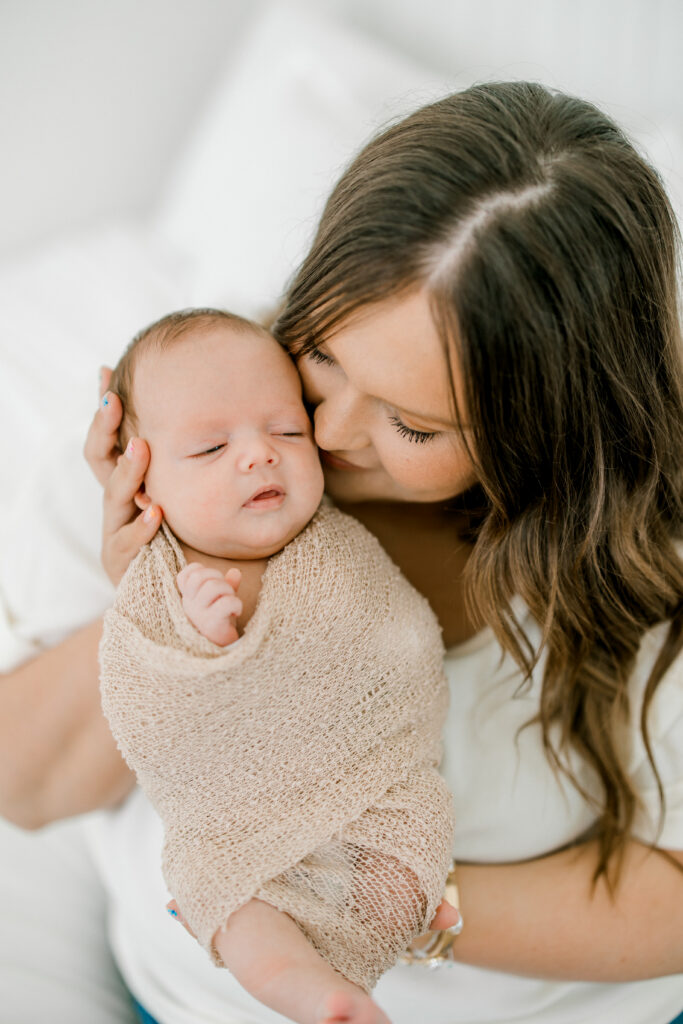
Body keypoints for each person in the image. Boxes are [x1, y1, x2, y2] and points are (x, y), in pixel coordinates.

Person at [1, 80, 682, 1024]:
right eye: (320, 354)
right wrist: (153, 599)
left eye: (409, 423)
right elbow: (23, 788)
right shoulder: (187, 413)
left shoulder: (645, 548)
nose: (323, 431)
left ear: (542, 432)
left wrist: (384, 903)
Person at [99, 306, 454, 1024]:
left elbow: (396, 650)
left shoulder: (335, 550)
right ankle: (318, 997)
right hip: (237, 825)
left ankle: (358, 956)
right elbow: (158, 692)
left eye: (286, 430)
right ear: (140, 479)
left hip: (374, 795)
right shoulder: (157, 574)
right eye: (207, 450)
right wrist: (191, 629)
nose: (260, 454)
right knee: (235, 902)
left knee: (403, 864)